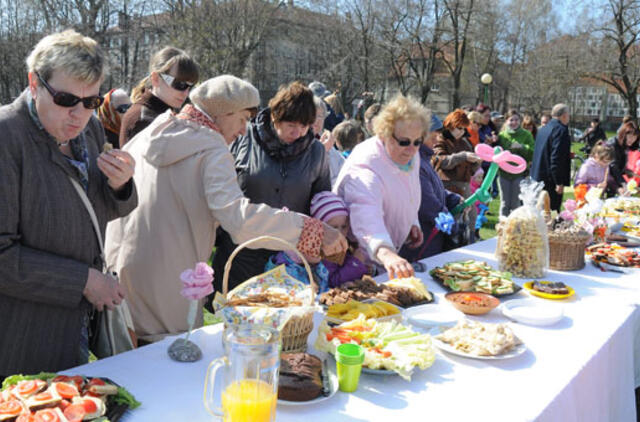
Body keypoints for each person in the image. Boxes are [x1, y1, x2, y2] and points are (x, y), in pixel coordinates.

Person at [105, 75, 347, 343]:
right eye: (243, 119)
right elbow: (239, 220)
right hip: (173, 286)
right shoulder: (213, 148)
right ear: (223, 113)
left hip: (124, 277)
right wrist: (310, 230)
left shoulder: (150, 133)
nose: (245, 130)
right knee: (169, 368)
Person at [0, 30, 138, 375]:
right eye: (65, 100)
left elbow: (96, 212)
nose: (79, 114)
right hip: (20, 336)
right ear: (34, 83)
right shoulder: (6, 137)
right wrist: (85, 281)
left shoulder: (89, 131)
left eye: (91, 102)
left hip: (74, 326)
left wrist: (120, 186)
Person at [213, 81, 331, 293]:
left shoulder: (316, 153)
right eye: (291, 125)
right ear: (275, 117)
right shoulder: (243, 137)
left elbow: (321, 201)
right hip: (242, 252)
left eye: (305, 127)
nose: (298, 133)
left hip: (289, 259)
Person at [334, 94, 428, 278]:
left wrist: (411, 221)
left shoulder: (409, 156)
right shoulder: (366, 166)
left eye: (418, 141)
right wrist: (386, 253)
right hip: (355, 258)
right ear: (384, 134)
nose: (412, 149)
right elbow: (366, 215)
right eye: (404, 142)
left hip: (385, 256)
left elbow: (407, 191)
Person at [265, 191, 369, 291]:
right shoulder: (319, 251)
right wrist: (356, 264)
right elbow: (331, 282)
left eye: (344, 226)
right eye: (333, 227)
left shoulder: (342, 247)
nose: (339, 233)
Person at [400, 114, 463, 261]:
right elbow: (426, 202)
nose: (437, 138)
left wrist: (451, 198)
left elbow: (434, 187)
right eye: (433, 134)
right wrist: (451, 224)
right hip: (422, 238)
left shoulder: (425, 160)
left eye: (438, 133)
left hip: (432, 237)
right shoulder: (416, 163)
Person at [120, 46, 199, 147]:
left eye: (190, 86)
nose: (186, 93)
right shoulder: (144, 119)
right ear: (156, 78)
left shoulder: (160, 115)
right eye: (180, 84)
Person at [530, 103, 572, 211]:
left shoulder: (543, 129)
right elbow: (556, 158)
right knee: (551, 212)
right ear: (564, 115)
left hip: (537, 176)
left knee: (539, 211)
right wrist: (558, 181)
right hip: (550, 180)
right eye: (568, 115)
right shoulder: (561, 130)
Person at [497, 110, 535, 217]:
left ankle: (515, 227)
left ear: (520, 121)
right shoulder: (502, 136)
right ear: (506, 121)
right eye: (511, 120)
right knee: (504, 202)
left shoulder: (526, 135)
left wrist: (522, 147)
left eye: (517, 120)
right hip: (503, 174)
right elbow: (496, 152)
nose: (514, 122)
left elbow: (532, 152)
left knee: (515, 203)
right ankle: (502, 226)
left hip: (519, 175)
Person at [313, 96, 344, 187]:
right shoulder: (296, 143)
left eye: (321, 116)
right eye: (313, 116)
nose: (317, 120)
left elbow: (343, 168)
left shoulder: (326, 141)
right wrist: (321, 152)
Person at [607, 120, 640, 193]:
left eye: (635, 137)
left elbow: (620, 167)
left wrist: (631, 173)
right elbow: (613, 167)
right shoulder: (612, 145)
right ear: (624, 134)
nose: (632, 140)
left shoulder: (624, 146)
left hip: (612, 180)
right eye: (630, 136)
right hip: (604, 181)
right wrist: (624, 184)